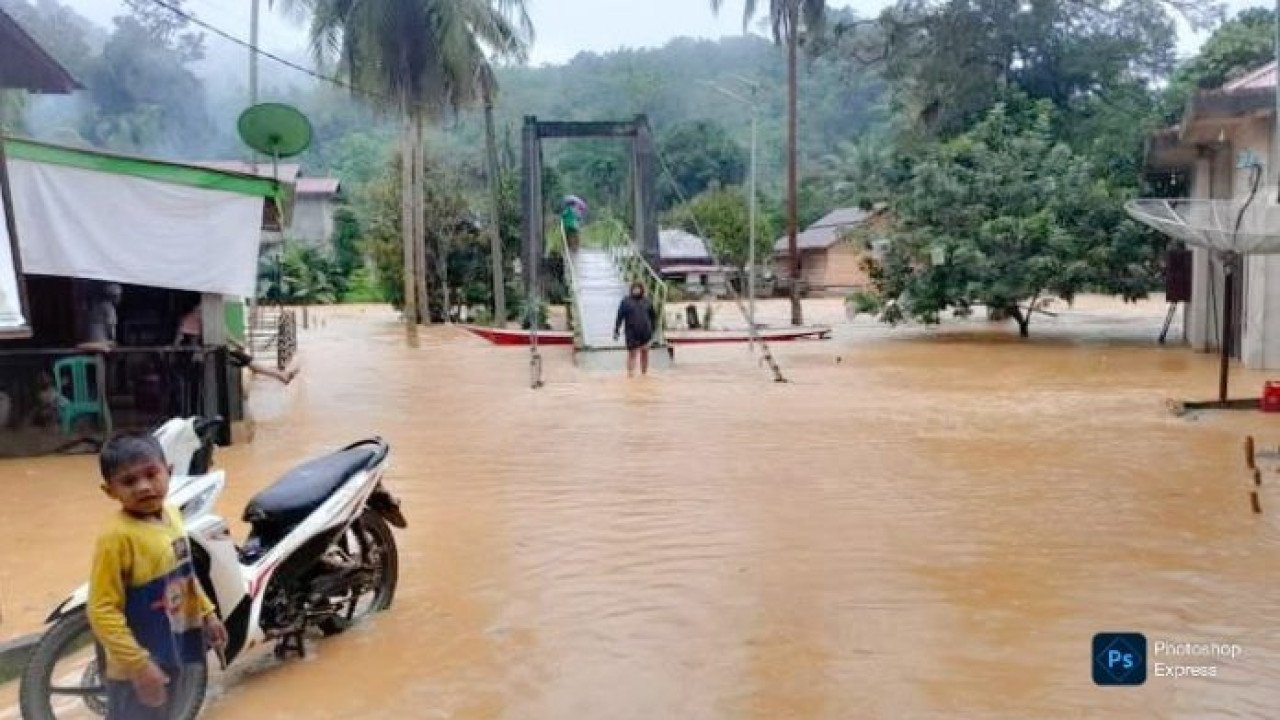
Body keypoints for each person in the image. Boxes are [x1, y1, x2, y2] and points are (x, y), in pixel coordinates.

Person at [87, 431, 228, 719]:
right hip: (136, 667)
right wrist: (139, 667)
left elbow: (184, 573)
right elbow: (101, 610)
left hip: (173, 648)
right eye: (128, 482)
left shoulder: (173, 515)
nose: (143, 487)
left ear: (170, 472)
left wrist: (209, 615)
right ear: (110, 490)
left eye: (151, 475)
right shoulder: (116, 538)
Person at [175, 304, 298, 385]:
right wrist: (236, 342)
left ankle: (280, 375)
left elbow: (219, 329)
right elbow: (220, 330)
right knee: (247, 361)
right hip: (199, 348)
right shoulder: (203, 310)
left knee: (247, 360)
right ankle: (280, 375)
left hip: (202, 347)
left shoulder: (197, 311)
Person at [614, 281, 658, 377]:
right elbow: (619, 316)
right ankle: (630, 374)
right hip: (631, 332)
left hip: (646, 332)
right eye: (634, 288)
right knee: (632, 353)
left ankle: (644, 374)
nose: (636, 290)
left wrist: (654, 331)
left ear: (642, 290)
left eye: (638, 288)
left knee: (645, 353)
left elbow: (653, 317)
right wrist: (616, 330)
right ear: (631, 290)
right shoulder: (625, 301)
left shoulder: (647, 301)